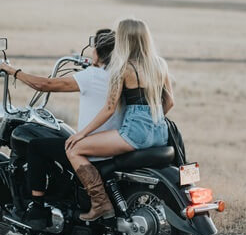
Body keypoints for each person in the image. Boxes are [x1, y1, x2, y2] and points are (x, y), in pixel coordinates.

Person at [0, 29, 123, 229]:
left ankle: (37, 210)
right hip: (114, 143)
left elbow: (45, 84)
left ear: (98, 52)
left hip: (92, 147)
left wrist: (14, 72)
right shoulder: (121, 76)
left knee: (37, 147)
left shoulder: (92, 76)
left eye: (94, 49)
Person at [65, 18, 174, 221]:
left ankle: (100, 204)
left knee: (74, 149)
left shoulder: (123, 68)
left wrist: (81, 134)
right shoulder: (160, 64)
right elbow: (169, 102)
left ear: (124, 39)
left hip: (134, 134)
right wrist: (150, 122)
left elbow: (109, 109)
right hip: (159, 132)